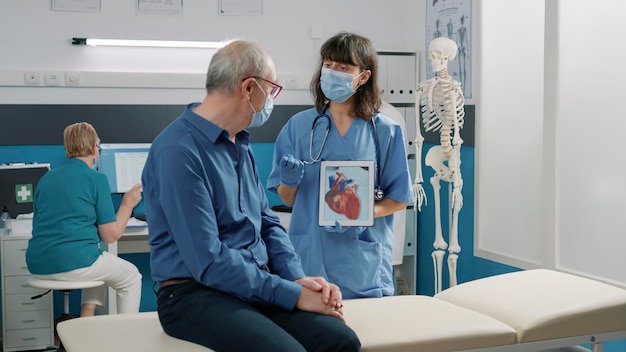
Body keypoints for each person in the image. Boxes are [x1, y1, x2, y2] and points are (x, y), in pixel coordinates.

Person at [141, 39, 360, 352]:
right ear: (248, 88)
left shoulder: (238, 144)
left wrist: (297, 280)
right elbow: (208, 260)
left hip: (252, 283)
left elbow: (268, 224)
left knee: (342, 341)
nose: (271, 99)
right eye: (271, 89)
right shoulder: (178, 151)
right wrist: (291, 296)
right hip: (194, 294)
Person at [267, 32, 414, 299]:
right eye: (328, 64)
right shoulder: (299, 127)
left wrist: (361, 214)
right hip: (310, 254)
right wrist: (289, 180)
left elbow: (399, 199)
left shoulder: (385, 131)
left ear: (364, 76)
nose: (332, 72)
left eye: (343, 68)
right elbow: (287, 198)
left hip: (362, 260)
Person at [26, 122, 143, 317]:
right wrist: (127, 204)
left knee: (101, 260)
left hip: (38, 262)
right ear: (93, 147)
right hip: (74, 263)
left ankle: (86, 315)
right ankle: (127, 334)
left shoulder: (46, 178)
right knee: (131, 276)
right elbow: (110, 236)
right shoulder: (96, 179)